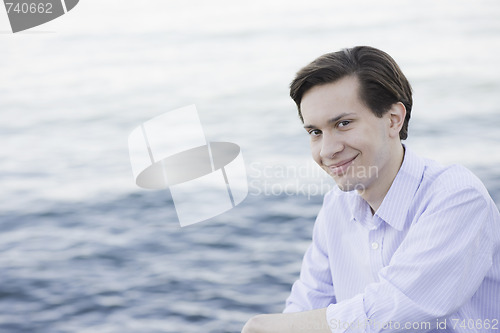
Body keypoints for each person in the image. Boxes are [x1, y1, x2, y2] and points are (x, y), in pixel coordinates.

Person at [241, 46, 500, 333]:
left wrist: (270, 327)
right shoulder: (336, 206)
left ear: (393, 119)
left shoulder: (457, 197)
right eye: (315, 132)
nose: (327, 150)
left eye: (343, 123)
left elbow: (399, 311)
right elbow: (307, 306)